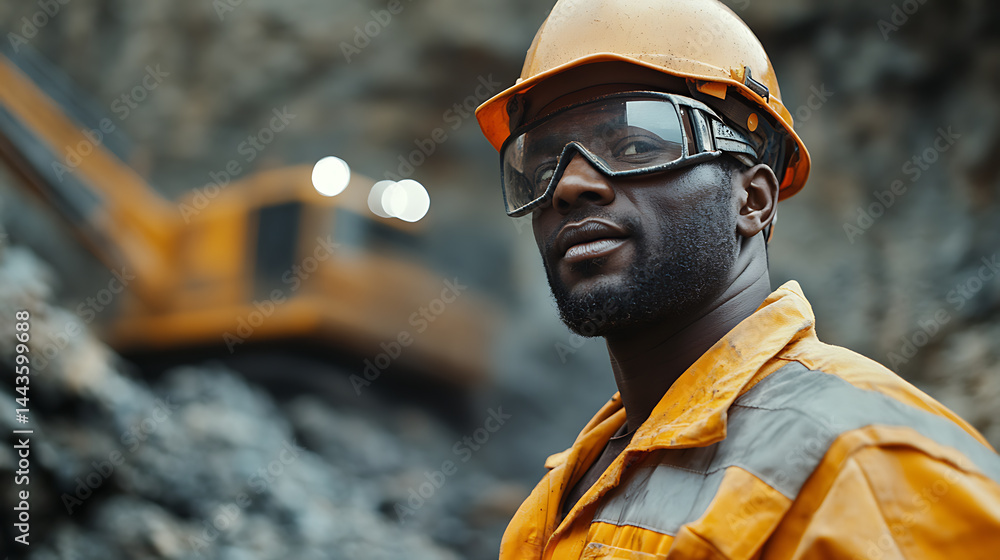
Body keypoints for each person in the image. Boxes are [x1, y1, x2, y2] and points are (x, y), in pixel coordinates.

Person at [474, 0, 1000, 558]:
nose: (569, 185)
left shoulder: (869, 464)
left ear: (751, 200)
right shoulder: (576, 482)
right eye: (544, 164)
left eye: (634, 145)